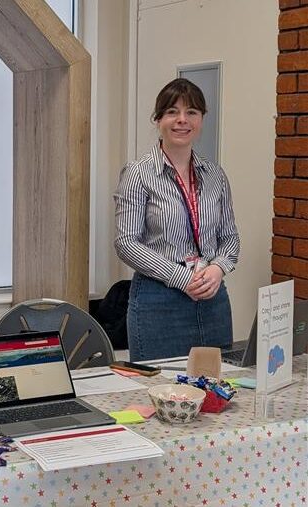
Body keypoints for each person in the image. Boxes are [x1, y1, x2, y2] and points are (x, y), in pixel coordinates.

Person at [114, 78, 239, 361]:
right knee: (158, 391)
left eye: (192, 112)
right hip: (158, 301)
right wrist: (182, 278)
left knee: (216, 389)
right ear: (158, 119)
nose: (182, 120)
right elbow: (126, 243)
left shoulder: (215, 175)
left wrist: (218, 269)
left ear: (201, 120)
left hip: (212, 298)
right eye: (172, 112)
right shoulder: (138, 173)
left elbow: (230, 238)